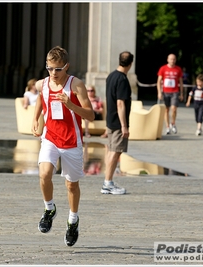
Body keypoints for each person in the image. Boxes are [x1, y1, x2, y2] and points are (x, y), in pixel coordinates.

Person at [31, 46, 94, 247]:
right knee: (44, 174)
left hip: (71, 142)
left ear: (66, 66)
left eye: (58, 69)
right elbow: (41, 100)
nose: (53, 73)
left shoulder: (76, 85)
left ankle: (73, 221)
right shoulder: (43, 84)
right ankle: (49, 209)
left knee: (71, 185)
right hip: (50, 137)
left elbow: (91, 115)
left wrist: (71, 105)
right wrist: (35, 119)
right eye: (49, 68)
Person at [101, 51, 134, 195]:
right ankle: (107, 183)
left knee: (111, 151)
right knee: (115, 153)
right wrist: (124, 126)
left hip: (110, 120)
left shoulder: (111, 76)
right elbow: (120, 104)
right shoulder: (122, 80)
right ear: (131, 64)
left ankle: (108, 181)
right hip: (118, 122)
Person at [157, 54, 184, 135]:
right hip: (165, 92)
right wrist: (159, 92)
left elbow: (181, 82)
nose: (172, 61)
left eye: (174, 59)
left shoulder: (178, 69)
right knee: (166, 109)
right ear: (167, 59)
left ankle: (173, 123)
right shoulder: (163, 68)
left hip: (175, 91)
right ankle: (167, 127)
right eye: (171, 59)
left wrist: (181, 93)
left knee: (174, 108)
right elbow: (159, 81)